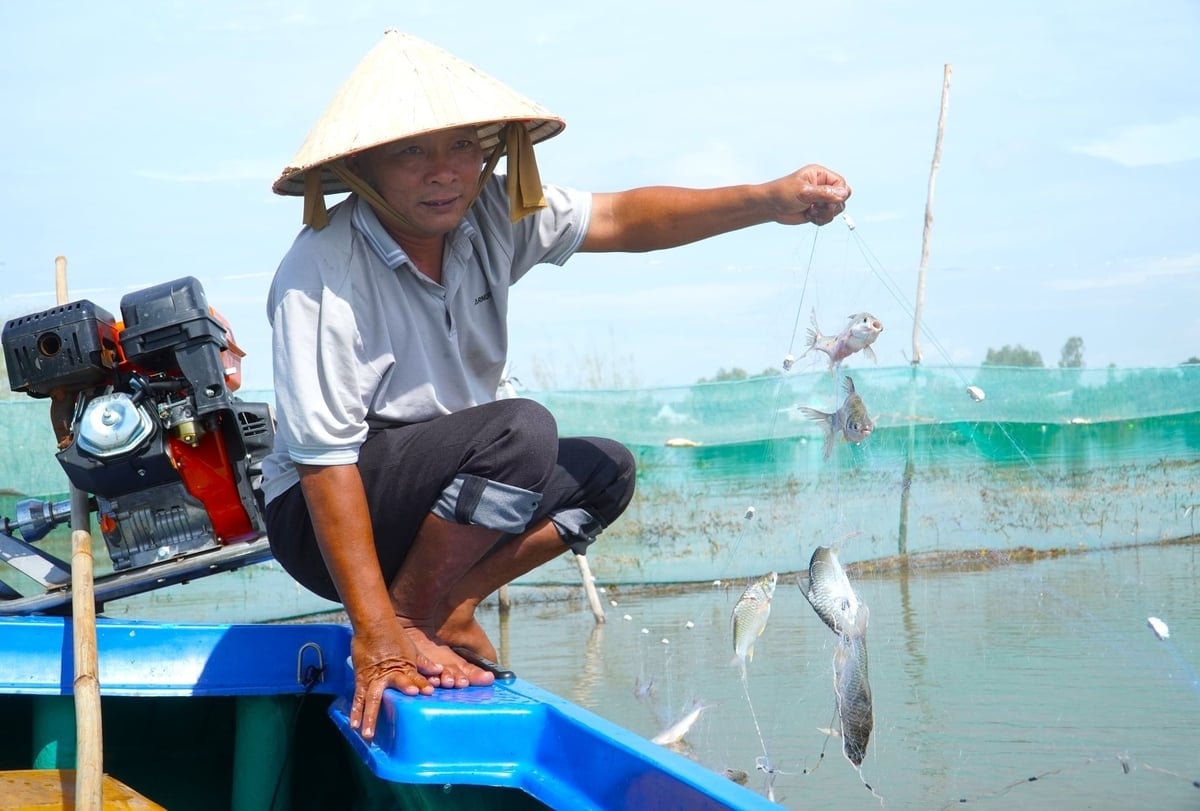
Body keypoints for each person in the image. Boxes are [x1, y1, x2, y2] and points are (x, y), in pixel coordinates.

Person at [262, 29, 851, 742]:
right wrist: (378, 632)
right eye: (411, 152)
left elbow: (620, 217)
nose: (443, 172)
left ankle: (449, 603)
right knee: (522, 434)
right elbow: (324, 464)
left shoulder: (490, 218)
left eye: (461, 147)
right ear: (364, 167)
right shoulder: (323, 268)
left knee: (606, 470)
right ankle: (410, 620)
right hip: (327, 516)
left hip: (446, 499)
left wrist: (768, 199)